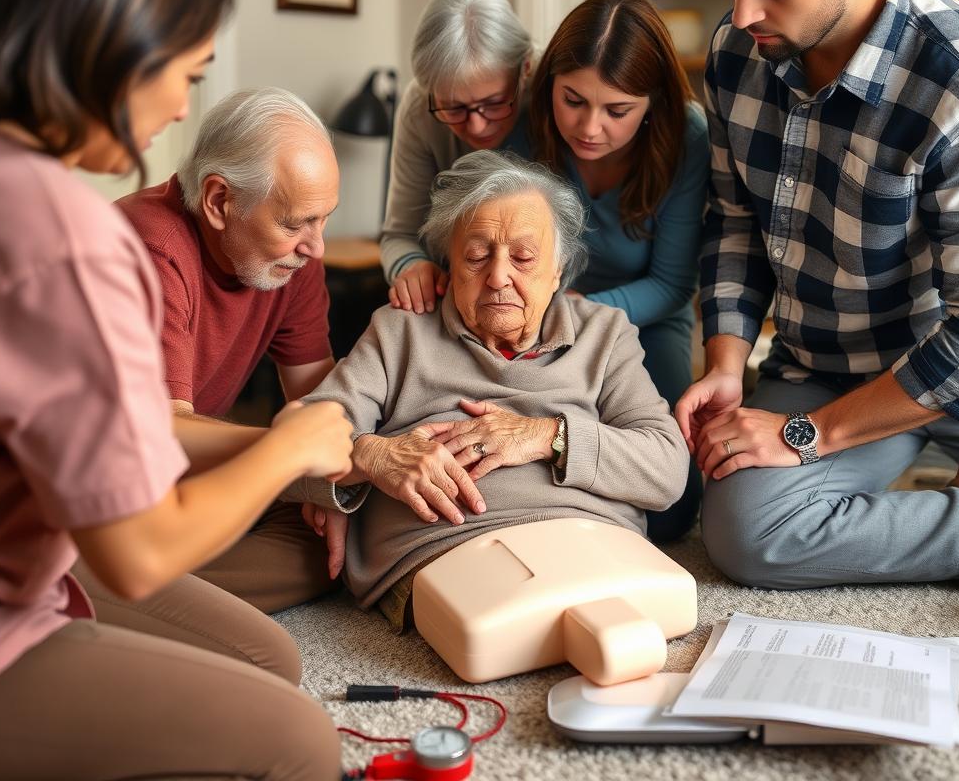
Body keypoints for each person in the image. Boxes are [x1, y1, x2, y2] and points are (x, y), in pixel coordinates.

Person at [0, 0, 353, 780]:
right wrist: (294, 446)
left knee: (271, 657)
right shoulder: (71, 240)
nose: (182, 111)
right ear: (109, 59)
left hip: (21, 543)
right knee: (298, 739)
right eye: (186, 74)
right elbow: (138, 551)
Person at [674, 0, 959, 592]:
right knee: (741, 532)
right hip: (829, 367)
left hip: (956, 373)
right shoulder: (740, 51)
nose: (741, 14)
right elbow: (736, 216)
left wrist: (807, 437)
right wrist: (728, 362)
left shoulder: (958, 83)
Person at [294, 151, 689, 624]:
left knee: (643, 626)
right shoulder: (400, 332)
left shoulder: (605, 333)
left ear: (558, 271)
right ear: (449, 263)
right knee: (499, 636)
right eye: (477, 256)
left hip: (591, 537)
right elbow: (296, 444)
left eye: (523, 257)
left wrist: (547, 436)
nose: (499, 276)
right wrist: (369, 457)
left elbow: (667, 468)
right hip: (442, 550)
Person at [118, 86, 340, 612]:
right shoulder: (150, 247)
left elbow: (319, 398)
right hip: (116, 487)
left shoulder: (296, 261)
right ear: (219, 201)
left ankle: (142, 589)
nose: (317, 246)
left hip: (189, 483)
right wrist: (294, 452)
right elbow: (160, 433)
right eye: (294, 224)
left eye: (323, 217)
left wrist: (329, 484)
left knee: (336, 531)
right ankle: (110, 584)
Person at [526, 0, 709, 541]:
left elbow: (672, 285)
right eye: (573, 100)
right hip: (534, 319)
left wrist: (586, 311)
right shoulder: (529, 126)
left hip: (646, 319)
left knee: (672, 505)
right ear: (550, 86)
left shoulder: (687, 136)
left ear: (654, 103)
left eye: (618, 110)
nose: (589, 128)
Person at [381, 0, 536, 313]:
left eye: (494, 104)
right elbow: (399, 234)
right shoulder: (418, 108)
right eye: (453, 109)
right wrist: (411, 267)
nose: (477, 127)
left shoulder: (559, 95)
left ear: (525, 69)